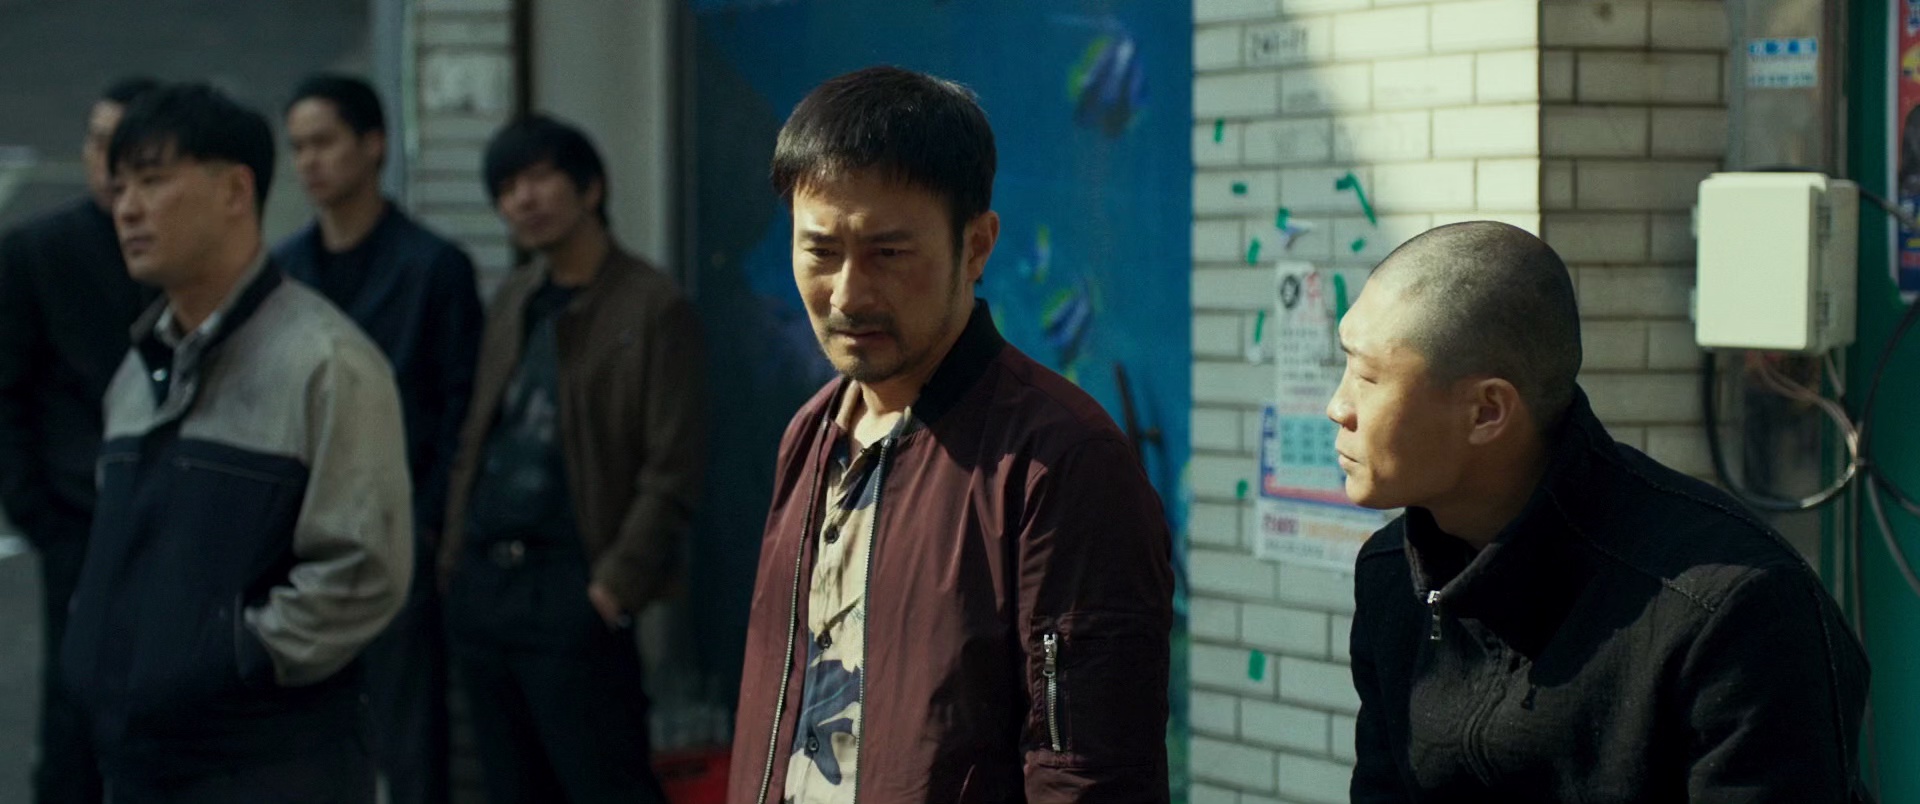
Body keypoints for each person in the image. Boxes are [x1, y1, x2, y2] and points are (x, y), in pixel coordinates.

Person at [726, 66, 1175, 804]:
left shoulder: (1059, 462)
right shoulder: (810, 435)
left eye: (888, 253)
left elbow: (1088, 774)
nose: (848, 294)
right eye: (821, 252)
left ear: (976, 246)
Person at [1333, 222, 1872, 801]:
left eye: (1367, 377)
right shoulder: (1391, 575)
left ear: (1487, 411)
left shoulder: (1731, 606)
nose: (1339, 406)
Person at [59, 82, 412, 803]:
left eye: (153, 181)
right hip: (140, 761)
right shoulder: (137, 372)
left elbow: (362, 571)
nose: (127, 208)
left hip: (269, 764)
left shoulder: (325, 361)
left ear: (234, 191)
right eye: (119, 187)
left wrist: (235, 656)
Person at [440, 114, 704, 803]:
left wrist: (613, 585)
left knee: (604, 783)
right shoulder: (514, 297)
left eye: (537, 178)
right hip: (486, 584)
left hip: (573, 585)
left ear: (590, 188)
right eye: (505, 189)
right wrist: (452, 560)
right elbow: (480, 434)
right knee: (510, 788)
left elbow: (673, 464)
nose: (521, 200)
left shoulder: (652, 305)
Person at [275, 72, 483, 804]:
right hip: (303, 542)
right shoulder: (285, 271)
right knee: (310, 739)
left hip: (399, 532)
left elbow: (459, 411)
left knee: (409, 738)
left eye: (325, 142)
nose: (309, 162)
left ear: (374, 145)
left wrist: (429, 525)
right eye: (298, 147)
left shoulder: (433, 266)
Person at [0, 75, 159, 804]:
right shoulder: (36, 251)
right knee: (72, 712)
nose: (105, 161)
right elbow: (7, 390)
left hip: (170, 517)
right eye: (96, 143)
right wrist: (35, 508)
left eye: (123, 145)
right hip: (75, 517)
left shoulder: (184, 252)